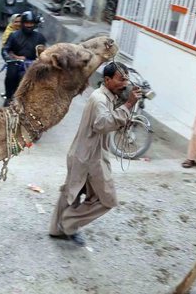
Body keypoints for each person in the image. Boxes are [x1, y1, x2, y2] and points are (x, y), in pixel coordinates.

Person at [49, 62, 141, 246]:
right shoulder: (99, 99)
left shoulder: (109, 97)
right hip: (90, 158)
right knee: (107, 199)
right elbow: (102, 124)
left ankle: (57, 229)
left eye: (127, 79)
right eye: (121, 79)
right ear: (107, 80)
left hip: (84, 154)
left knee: (71, 191)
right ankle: (68, 223)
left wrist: (125, 113)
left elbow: (109, 122)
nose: (125, 84)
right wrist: (129, 105)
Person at [1, 10, 47, 106]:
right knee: (11, 75)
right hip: (16, 62)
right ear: (22, 23)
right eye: (27, 23)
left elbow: (44, 52)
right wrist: (8, 58)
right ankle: (8, 97)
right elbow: (5, 49)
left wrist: (42, 60)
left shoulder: (40, 37)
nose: (29, 25)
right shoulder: (14, 35)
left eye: (31, 23)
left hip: (33, 64)